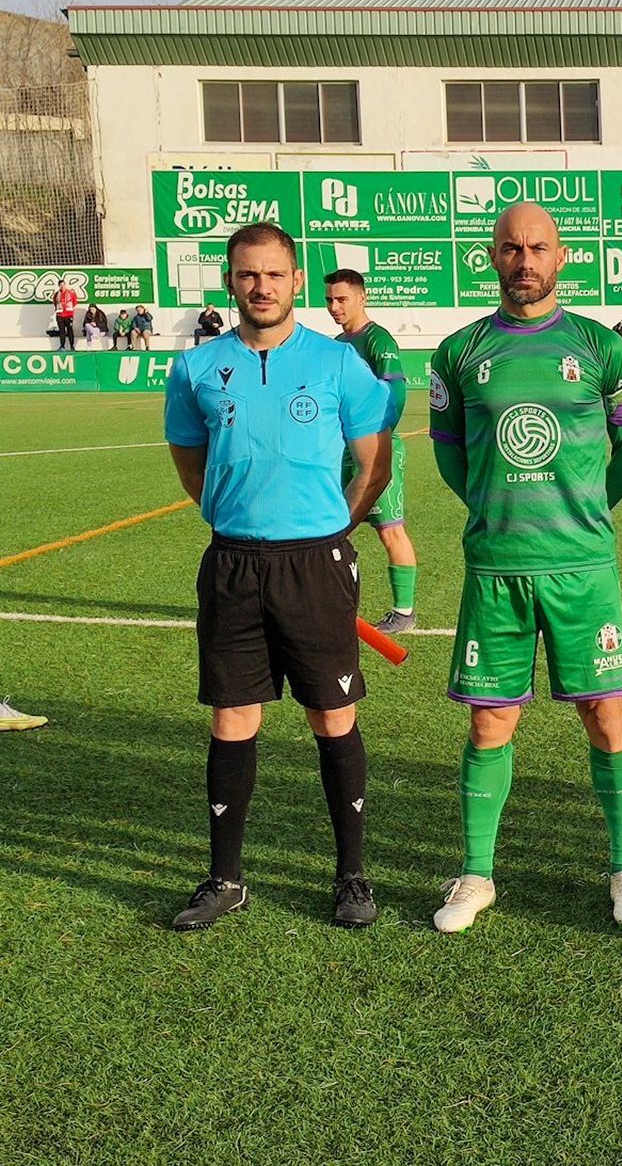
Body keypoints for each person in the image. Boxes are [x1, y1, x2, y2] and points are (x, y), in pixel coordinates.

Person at [162, 222, 395, 932]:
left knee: (333, 715)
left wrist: (335, 529)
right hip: (233, 563)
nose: (260, 287)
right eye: (246, 275)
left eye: (273, 274)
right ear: (229, 282)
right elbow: (191, 462)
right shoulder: (196, 369)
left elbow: (373, 461)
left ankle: (351, 876)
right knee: (233, 718)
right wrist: (236, 517)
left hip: (316, 563)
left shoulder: (338, 365)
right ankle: (225, 878)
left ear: (297, 281)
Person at [429, 202, 622, 934]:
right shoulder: (458, 352)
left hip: (582, 568)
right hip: (495, 567)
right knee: (491, 724)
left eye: (538, 249)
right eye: (511, 248)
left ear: (562, 258)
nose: (524, 261)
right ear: (491, 257)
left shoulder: (600, 348)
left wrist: (587, 510)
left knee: (603, 714)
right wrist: (493, 508)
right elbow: (450, 453)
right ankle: (476, 874)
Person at [325, 269, 419, 635]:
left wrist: (377, 440)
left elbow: (395, 393)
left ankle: (404, 612)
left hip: (378, 452)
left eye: (342, 299)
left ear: (362, 298)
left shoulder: (378, 340)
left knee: (390, 530)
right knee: (333, 531)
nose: (334, 306)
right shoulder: (337, 344)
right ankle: (331, 604)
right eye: (330, 299)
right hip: (343, 454)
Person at [52, 285, 77, 351]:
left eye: (63, 285)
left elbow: (74, 302)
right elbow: (55, 303)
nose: (62, 287)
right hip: (60, 315)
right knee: (62, 331)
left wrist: (68, 309)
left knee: (70, 330)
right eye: (61, 286)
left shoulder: (70, 292)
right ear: (59, 286)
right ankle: (62, 346)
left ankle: (72, 346)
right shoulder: (57, 294)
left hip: (69, 315)